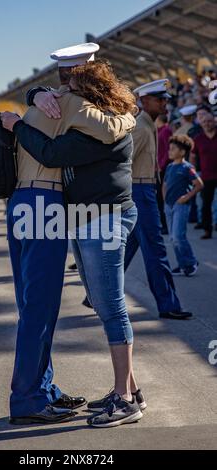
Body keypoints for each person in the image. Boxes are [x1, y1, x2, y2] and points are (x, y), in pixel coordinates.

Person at [2, 59, 146, 428]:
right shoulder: (74, 104)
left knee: (33, 302)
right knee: (41, 305)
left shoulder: (44, 102)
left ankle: (41, 389)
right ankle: (30, 397)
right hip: (45, 205)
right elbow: (115, 124)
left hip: (25, 204)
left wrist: (29, 101)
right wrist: (131, 115)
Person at [124, 80, 193, 320]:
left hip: (142, 190)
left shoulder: (147, 124)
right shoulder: (141, 128)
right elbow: (124, 164)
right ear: (144, 101)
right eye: (159, 99)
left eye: (165, 99)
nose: (165, 102)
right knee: (155, 249)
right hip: (139, 191)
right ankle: (168, 304)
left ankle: (94, 295)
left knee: (127, 248)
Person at [163, 135, 203, 277]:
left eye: (173, 149)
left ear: (182, 152)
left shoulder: (188, 168)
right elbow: (165, 184)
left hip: (181, 206)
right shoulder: (169, 167)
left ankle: (191, 262)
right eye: (170, 148)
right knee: (173, 239)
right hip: (169, 206)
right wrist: (165, 200)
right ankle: (182, 265)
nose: (170, 151)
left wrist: (186, 197)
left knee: (178, 236)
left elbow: (199, 185)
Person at [191, 112, 217, 240]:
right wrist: (193, 172)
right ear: (201, 124)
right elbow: (193, 156)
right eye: (205, 122)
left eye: (210, 121)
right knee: (206, 204)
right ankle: (207, 230)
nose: (207, 124)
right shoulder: (198, 139)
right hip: (206, 176)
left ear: (215, 122)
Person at [156, 114, 172, 233]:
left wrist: (161, 165)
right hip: (159, 167)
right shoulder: (159, 130)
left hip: (163, 168)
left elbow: (168, 150)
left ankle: (165, 225)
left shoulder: (166, 130)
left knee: (162, 197)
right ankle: (162, 223)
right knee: (158, 197)